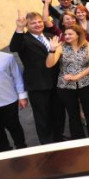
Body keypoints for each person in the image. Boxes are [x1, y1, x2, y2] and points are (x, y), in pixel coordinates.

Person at [9, 10, 65, 144]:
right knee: (42, 116)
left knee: (58, 112)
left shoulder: (50, 36)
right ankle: (47, 143)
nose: (38, 24)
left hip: (57, 81)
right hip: (38, 84)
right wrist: (19, 28)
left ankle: (59, 137)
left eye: (39, 21)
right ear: (27, 25)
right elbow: (13, 47)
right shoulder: (23, 39)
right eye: (33, 23)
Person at [45, 26, 89, 139]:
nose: (67, 36)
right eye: (65, 34)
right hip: (65, 86)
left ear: (78, 35)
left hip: (86, 83)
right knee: (72, 113)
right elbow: (49, 64)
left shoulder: (88, 46)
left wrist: (77, 76)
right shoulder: (61, 47)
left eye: (70, 34)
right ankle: (78, 137)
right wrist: (52, 50)